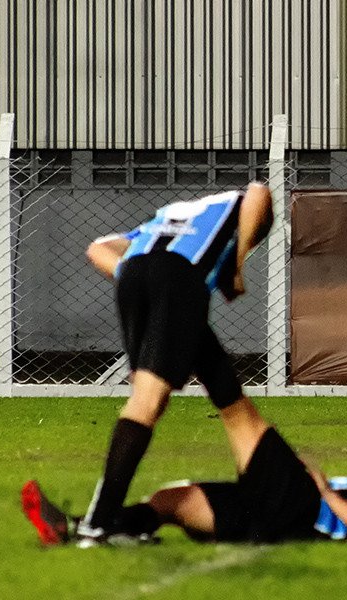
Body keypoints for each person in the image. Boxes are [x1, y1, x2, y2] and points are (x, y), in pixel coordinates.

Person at [21, 394, 347, 546]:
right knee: (172, 501)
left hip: (303, 510)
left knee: (239, 412)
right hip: (287, 510)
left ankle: (190, 339)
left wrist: (324, 493)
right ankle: (87, 532)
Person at [74, 182, 274, 546]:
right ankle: (99, 522)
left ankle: (108, 520)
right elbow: (260, 191)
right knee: (148, 402)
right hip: (180, 277)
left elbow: (97, 248)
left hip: (132, 273)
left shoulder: (169, 215)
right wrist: (238, 265)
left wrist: (139, 280)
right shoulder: (232, 204)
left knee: (162, 394)